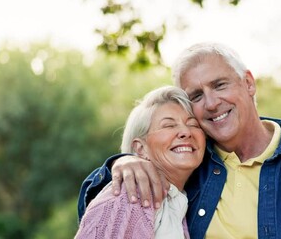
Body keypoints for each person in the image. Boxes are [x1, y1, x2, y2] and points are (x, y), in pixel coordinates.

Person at [78, 42, 281, 238]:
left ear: (248, 83)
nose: (211, 102)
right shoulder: (189, 168)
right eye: (195, 95)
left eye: (220, 85)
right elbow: (99, 212)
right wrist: (123, 161)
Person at [75, 86, 205, 238]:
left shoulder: (179, 201)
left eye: (193, 124)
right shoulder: (127, 196)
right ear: (141, 148)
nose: (186, 132)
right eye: (169, 125)